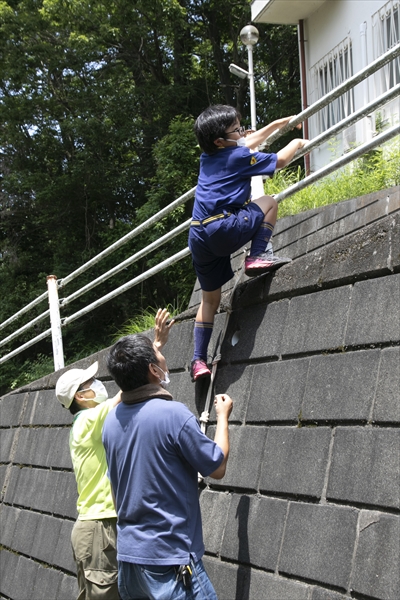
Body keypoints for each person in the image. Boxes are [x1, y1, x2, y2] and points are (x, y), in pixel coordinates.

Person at [102, 332, 233, 600]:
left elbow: (116, 495)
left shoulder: (111, 422)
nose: (163, 355)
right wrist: (222, 417)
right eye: (157, 352)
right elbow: (216, 467)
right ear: (153, 369)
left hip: (129, 561)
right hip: (169, 561)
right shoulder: (173, 414)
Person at [55, 308, 174, 600]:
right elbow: (129, 388)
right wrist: (154, 349)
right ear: (80, 397)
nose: (98, 384)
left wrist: (154, 349)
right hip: (99, 528)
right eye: (90, 383)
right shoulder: (86, 422)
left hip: (102, 526)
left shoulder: (92, 423)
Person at [188, 104, 309, 381]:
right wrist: (297, 141)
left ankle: (198, 361)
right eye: (237, 128)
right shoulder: (236, 157)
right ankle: (256, 256)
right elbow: (279, 161)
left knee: (209, 300)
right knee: (268, 202)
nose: (243, 132)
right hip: (223, 227)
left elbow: (246, 142)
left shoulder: (208, 156)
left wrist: (278, 124)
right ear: (221, 140)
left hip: (198, 236)